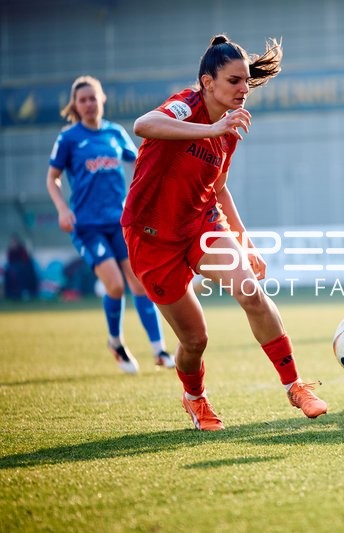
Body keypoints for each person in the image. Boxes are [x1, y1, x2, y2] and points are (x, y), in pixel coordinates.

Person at [122, 35, 327, 431]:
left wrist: (245, 242)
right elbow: (142, 125)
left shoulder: (230, 129)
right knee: (195, 341)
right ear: (207, 82)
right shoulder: (186, 105)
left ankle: (295, 385)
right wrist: (210, 127)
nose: (244, 89)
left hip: (200, 224)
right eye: (234, 81)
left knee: (250, 291)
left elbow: (217, 187)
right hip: (150, 238)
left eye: (246, 81)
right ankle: (194, 398)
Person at [46, 75, 174, 374]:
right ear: (75, 106)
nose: (89, 104)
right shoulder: (69, 138)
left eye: (93, 98)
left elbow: (141, 162)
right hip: (87, 226)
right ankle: (116, 343)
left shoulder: (115, 133)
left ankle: (160, 350)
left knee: (140, 283)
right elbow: (52, 178)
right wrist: (63, 208)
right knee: (115, 286)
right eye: (83, 100)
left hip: (119, 223)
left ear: (102, 99)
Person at [4, 234, 39, 301]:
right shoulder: (10, 250)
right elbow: (9, 261)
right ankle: (11, 294)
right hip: (13, 269)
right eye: (12, 242)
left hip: (22, 269)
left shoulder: (22, 249)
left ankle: (23, 292)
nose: (13, 243)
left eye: (14, 242)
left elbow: (25, 260)